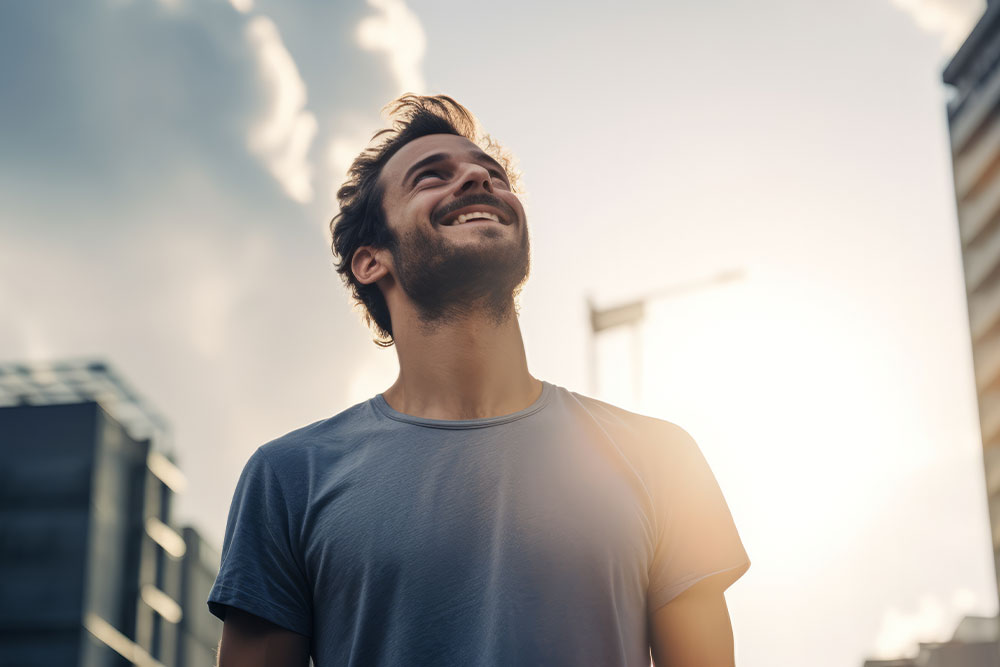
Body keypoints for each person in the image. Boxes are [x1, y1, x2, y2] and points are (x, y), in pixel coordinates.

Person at [208, 94, 750, 667]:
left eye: (492, 175)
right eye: (431, 177)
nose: (477, 179)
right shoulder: (290, 477)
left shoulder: (662, 457)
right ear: (371, 260)